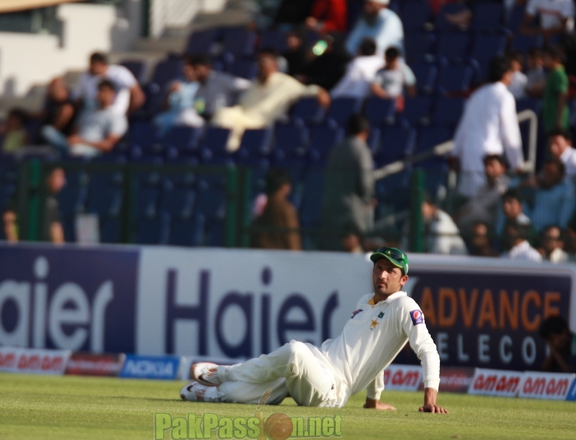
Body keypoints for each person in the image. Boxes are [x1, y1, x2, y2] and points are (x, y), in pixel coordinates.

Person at [181, 247, 446, 413]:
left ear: (403, 280)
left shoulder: (405, 305)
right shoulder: (365, 301)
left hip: (332, 390)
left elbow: (429, 351)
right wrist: (373, 400)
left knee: (295, 351)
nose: (383, 275)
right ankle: (212, 394)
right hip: (318, 367)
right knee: (268, 386)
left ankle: (224, 372)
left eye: (391, 271)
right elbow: (371, 353)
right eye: (379, 268)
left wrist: (430, 397)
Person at [212, 48, 330, 151]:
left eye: (264, 62)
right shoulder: (255, 83)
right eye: (258, 62)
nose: (260, 65)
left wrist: (319, 91)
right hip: (243, 119)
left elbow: (306, 90)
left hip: (264, 124)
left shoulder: (285, 82)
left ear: (274, 64)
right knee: (223, 114)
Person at [451, 57, 524, 198]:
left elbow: (463, 126)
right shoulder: (505, 97)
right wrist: (517, 163)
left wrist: (456, 153)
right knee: (486, 199)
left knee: (471, 198)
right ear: (506, 74)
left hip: (469, 152)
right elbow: (510, 133)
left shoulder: (476, 95)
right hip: (489, 157)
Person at [320, 114, 375, 250]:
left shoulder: (336, 150)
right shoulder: (361, 150)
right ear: (366, 131)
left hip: (331, 213)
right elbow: (365, 182)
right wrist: (368, 199)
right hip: (352, 217)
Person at [43, 80, 128, 158]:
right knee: (47, 131)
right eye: (99, 90)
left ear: (112, 94)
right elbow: (74, 132)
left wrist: (82, 141)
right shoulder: (87, 112)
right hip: (72, 144)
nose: (100, 93)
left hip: (92, 149)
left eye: (103, 90)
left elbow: (108, 145)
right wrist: (73, 140)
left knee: (74, 151)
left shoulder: (117, 116)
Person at [72, 52, 144, 115]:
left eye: (93, 64)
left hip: (115, 115)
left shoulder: (120, 73)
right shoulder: (86, 76)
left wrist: (128, 115)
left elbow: (138, 96)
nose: (90, 67)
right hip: (93, 115)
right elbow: (77, 98)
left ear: (102, 64)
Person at [455, 154, 509, 235]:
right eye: (486, 165)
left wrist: (460, 215)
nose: (488, 169)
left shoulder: (507, 184)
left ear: (502, 168)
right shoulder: (483, 186)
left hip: (498, 225)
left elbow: (482, 205)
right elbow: (471, 203)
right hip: (478, 223)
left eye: (492, 165)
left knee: (475, 210)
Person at [189, 54, 251, 122]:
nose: (194, 72)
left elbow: (246, 85)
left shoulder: (221, 79)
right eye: (193, 69)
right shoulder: (198, 91)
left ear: (207, 68)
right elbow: (199, 111)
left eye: (196, 68)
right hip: (210, 122)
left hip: (227, 118)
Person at [252, 169, 302, 251]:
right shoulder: (287, 209)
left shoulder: (262, 207)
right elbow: (292, 239)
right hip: (283, 259)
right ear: (284, 187)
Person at [528, 158, 576, 233]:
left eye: (550, 172)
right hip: (531, 230)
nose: (546, 174)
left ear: (561, 173)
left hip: (550, 235)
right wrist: (524, 185)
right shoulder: (538, 185)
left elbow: (564, 220)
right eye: (545, 171)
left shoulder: (567, 190)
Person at [541, 46, 569, 133]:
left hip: (556, 117)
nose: (544, 60)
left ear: (556, 59)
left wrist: (559, 121)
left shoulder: (559, 74)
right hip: (550, 116)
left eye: (547, 57)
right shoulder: (552, 74)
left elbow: (562, 97)